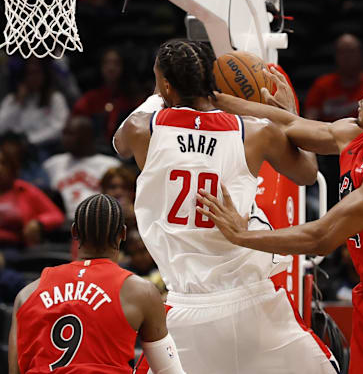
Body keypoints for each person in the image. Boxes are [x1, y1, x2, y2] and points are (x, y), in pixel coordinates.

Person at [200, 59, 363, 373]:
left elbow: (322, 237)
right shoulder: (353, 135)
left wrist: (241, 235)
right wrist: (207, 99)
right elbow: (288, 127)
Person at [114, 40, 338, 374]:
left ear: (165, 84)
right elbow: (307, 173)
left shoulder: (141, 129)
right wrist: (288, 114)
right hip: (254, 303)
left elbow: (118, 143)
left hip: (185, 309)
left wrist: (158, 95)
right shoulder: (254, 132)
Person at [8, 194, 185, 374]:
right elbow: (168, 371)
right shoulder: (141, 292)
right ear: (123, 234)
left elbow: (15, 370)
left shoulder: (27, 294)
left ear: (74, 232)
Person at [43, 116, 120, 220]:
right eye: (64, 133)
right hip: (61, 224)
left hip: (98, 221)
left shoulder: (110, 165)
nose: (65, 138)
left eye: (70, 134)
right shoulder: (52, 164)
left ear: (86, 136)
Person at [0, 57, 69, 152]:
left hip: (44, 147)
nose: (33, 77)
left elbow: (59, 129)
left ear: (45, 75)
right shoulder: (11, 99)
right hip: (14, 148)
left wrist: (29, 140)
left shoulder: (55, 99)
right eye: (29, 73)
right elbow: (0, 129)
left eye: (37, 73)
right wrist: (18, 102)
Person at [304, 34, 363, 122]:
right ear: (336, 56)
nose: (347, 56)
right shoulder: (322, 84)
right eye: (342, 51)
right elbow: (309, 119)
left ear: (361, 54)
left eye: (351, 51)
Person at [73, 47, 140, 144]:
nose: (111, 68)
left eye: (116, 63)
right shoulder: (90, 98)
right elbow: (76, 122)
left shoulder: (134, 98)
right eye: (106, 63)